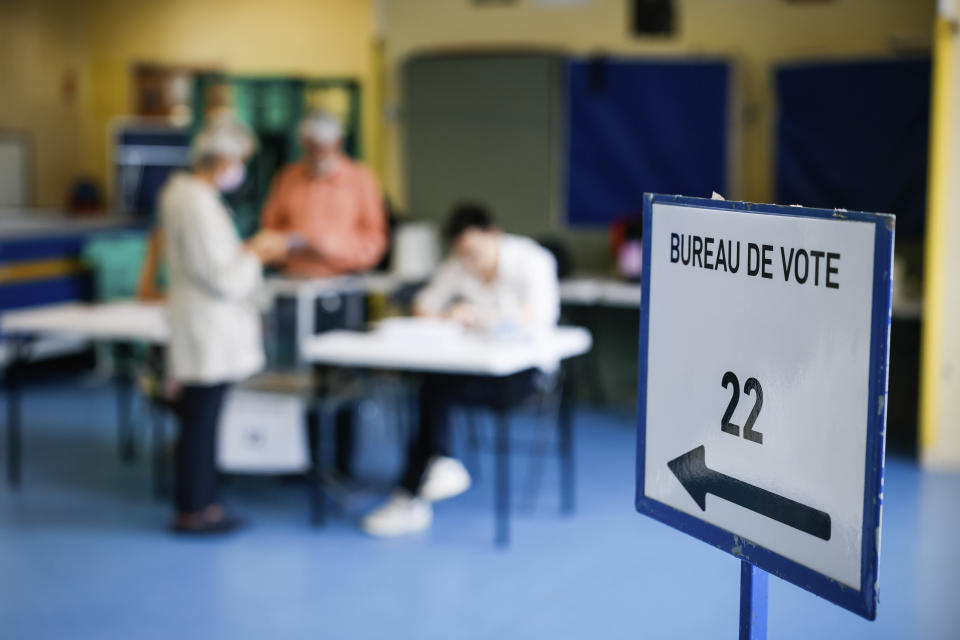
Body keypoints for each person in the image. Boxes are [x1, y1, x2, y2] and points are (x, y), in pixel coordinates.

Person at [361, 203, 561, 537]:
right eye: (462, 253)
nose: (470, 260)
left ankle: (416, 488)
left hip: (524, 376)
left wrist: (482, 315)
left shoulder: (533, 261)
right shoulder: (460, 265)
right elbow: (423, 304)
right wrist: (449, 314)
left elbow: (537, 317)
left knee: (434, 392)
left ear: (493, 234)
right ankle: (436, 466)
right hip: (477, 367)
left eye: (474, 251)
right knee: (433, 382)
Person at [160, 113, 290, 534]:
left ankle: (204, 502)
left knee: (202, 418)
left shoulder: (186, 196)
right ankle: (194, 510)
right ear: (221, 159)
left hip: (201, 321)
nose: (240, 171)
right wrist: (257, 254)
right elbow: (221, 277)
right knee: (201, 421)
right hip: (207, 323)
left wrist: (246, 253)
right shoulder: (195, 202)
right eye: (239, 161)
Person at [260, 109, 389, 478]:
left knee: (343, 377)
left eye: (324, 146)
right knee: (296, 376)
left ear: (337, 143)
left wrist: (332, 249)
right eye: (311, 147)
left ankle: (343, 461)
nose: (318, 152)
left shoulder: (360, 180)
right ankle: (300, 458)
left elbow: (375, 242)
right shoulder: (288, 179)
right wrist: (288, 245)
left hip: (339, 292)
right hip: (293, 291)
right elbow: (271, 230)